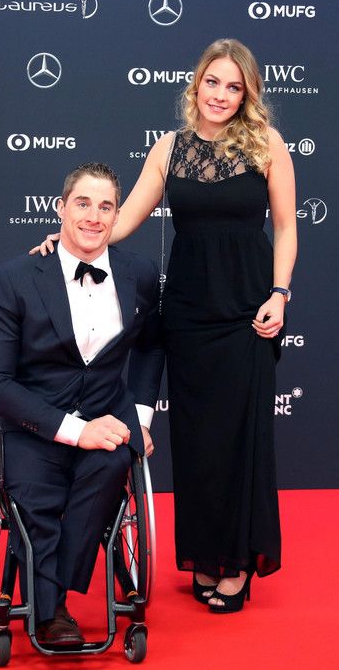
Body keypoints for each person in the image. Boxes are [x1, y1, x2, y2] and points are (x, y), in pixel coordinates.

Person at [33, 39, 297, 613]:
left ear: (247, 94)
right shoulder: (169, 149)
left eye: (234, 87)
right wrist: (72, 238)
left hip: (248, 312)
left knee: (241, 439)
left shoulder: (268, 145)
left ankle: (237, 563)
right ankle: (204, 556)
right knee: (198, 442)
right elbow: (125, 218)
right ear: (196, 85)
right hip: (189, 313)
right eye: (212, 82)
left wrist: (280, 293)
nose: (220, 95)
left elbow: (286, 227)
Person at [0, 163, 164, 645]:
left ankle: (48, 595)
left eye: (105, 207)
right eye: (82, 203)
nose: (93, 217)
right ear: (60, 209)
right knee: (38, 501)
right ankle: (52, 612)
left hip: (109, 418)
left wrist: (140, 418)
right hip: (35, 426)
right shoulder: (13, 279)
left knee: (109, 472)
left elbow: (151, 345)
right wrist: (77, 431)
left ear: (117, 216)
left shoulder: (140, 274)